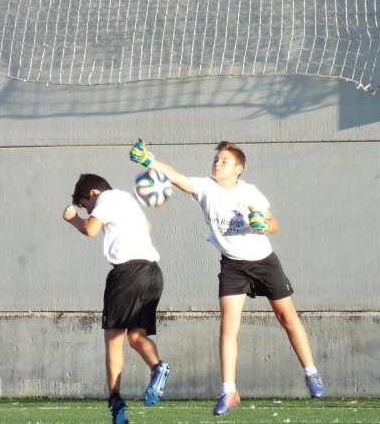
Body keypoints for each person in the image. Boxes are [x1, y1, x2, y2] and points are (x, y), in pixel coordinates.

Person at [129, 139, 326, 416]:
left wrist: (263, 224)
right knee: (228, 326)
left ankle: (312, 374)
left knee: (287, 318)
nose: (217, 164)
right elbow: (175, 177)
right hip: (233, 266)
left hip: (264, 262)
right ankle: (229, 391)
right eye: (216, 160)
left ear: (238, 169)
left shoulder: (250, 193)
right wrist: (148, 160)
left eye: (224, 161)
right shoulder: (205, 188)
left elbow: (274, 223)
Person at [62, 173, 170, 424]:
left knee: (113, 340)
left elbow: (90, 230)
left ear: (92, 194)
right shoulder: (128, 200)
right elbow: (148, 227)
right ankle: (157, 367)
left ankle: (115, 399)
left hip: (126, 274)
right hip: (152, 272)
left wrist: (73, 219)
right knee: (136, 337)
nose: (89, 210)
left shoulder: (105, 199)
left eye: (85, 204)